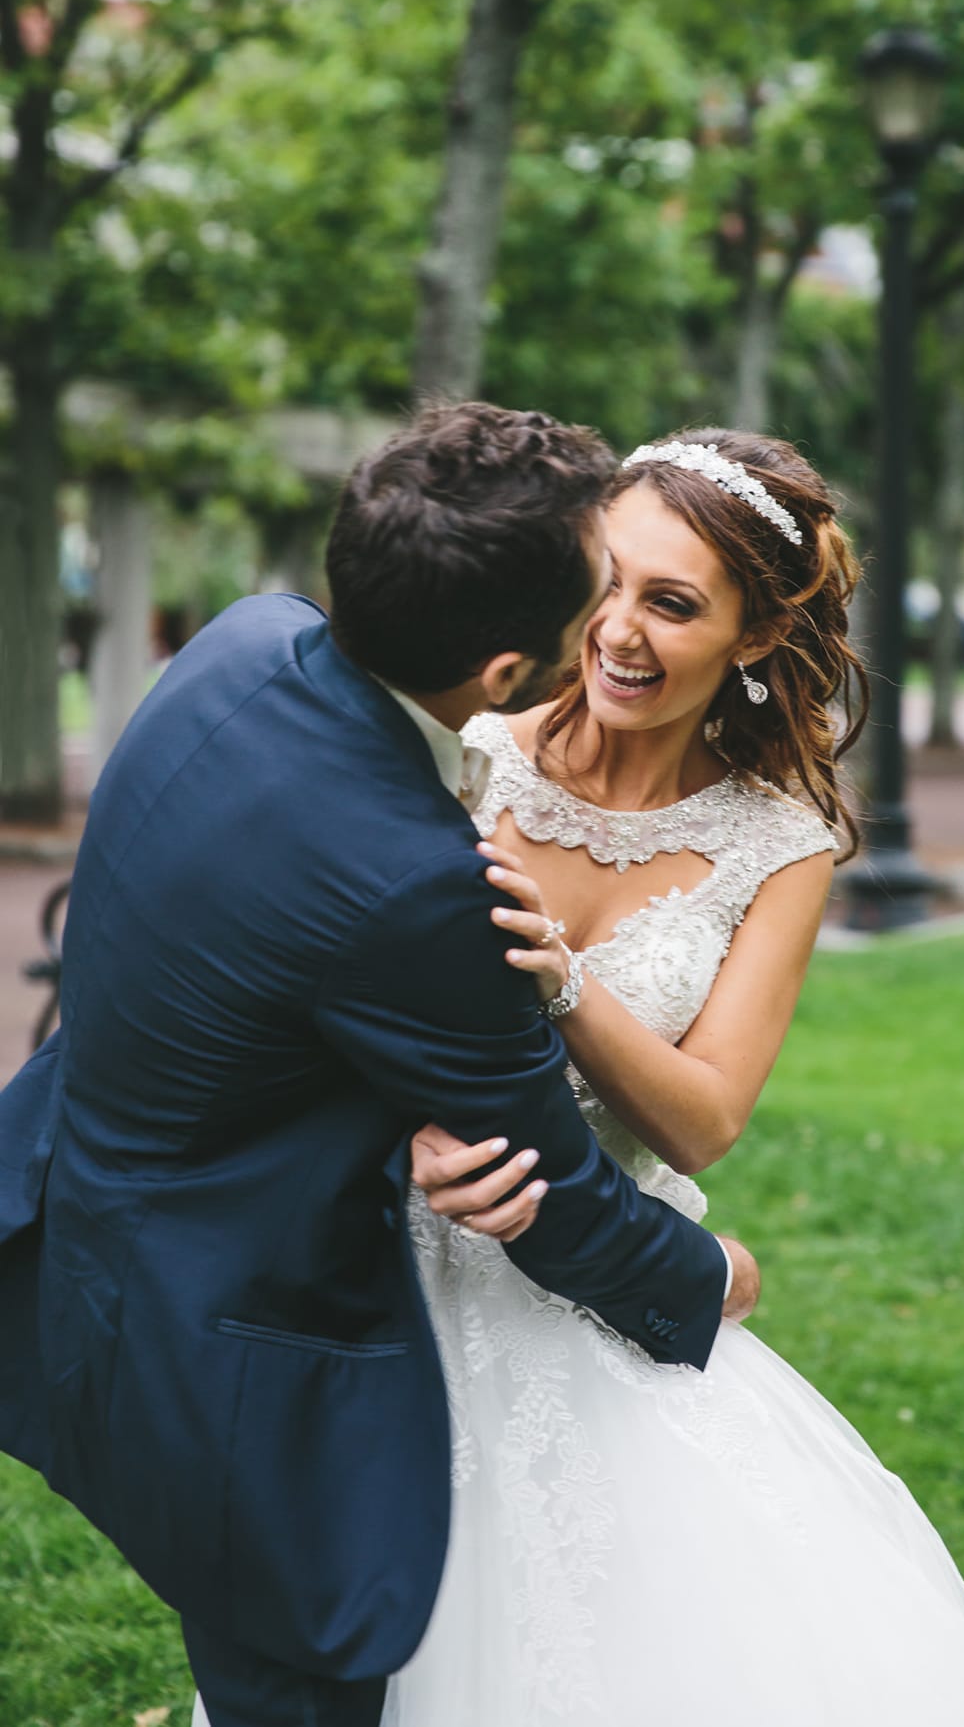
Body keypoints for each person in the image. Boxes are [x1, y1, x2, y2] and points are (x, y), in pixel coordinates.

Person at [0, 402, 760, 1727]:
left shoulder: (246, 640)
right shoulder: (424, 889)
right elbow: (555, 1196)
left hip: (87, 1218)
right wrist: (713, 1274)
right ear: (515, 669)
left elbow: (259, 950)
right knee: (311, 1688)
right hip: (227, 1336)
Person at [372, 428, 964, 1725]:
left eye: (675, 602)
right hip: (387, 1274)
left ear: (756, 638)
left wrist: (566, 983)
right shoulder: (474, 745)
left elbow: (706, 1120)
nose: (619, 631)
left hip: (595, 1287)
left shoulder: (778, 842)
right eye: (609, 579)